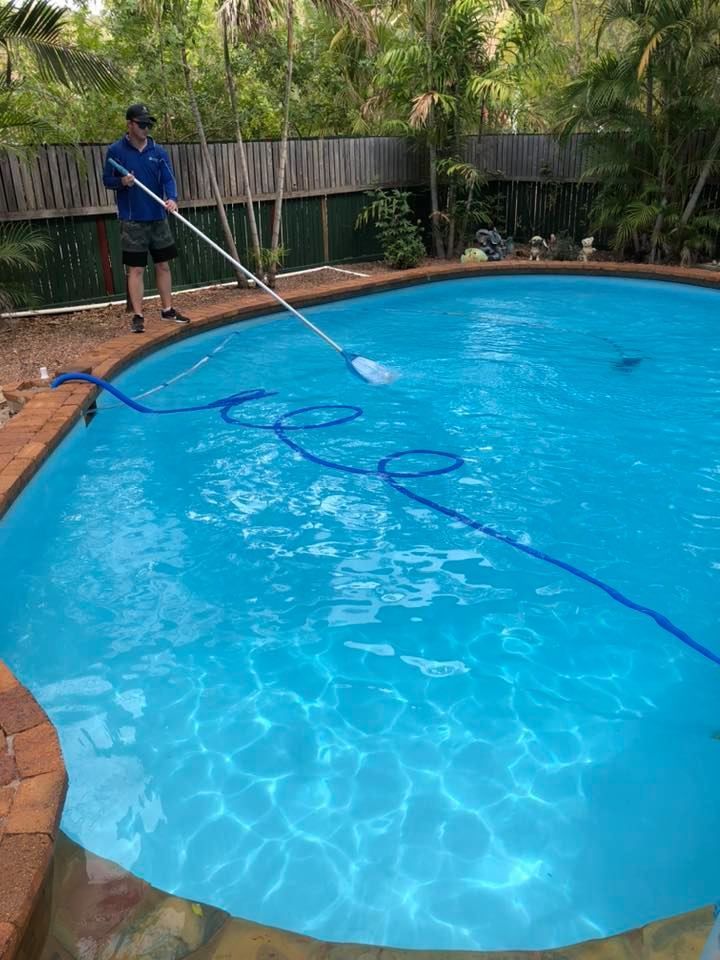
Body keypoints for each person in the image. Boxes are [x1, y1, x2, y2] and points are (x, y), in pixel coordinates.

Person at [103, 104, 190, 334]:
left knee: (163, 265)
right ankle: (138, 316)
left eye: (148, 124)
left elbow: (168, 180)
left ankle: (167, 310)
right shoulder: (116, 151)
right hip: (132, 220)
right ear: (130, 124)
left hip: (158, 216)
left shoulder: (158, 151)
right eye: (142, 124)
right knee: (136, 270)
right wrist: (122, 182)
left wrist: (171, 198)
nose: (146, 128)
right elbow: (107, 180)